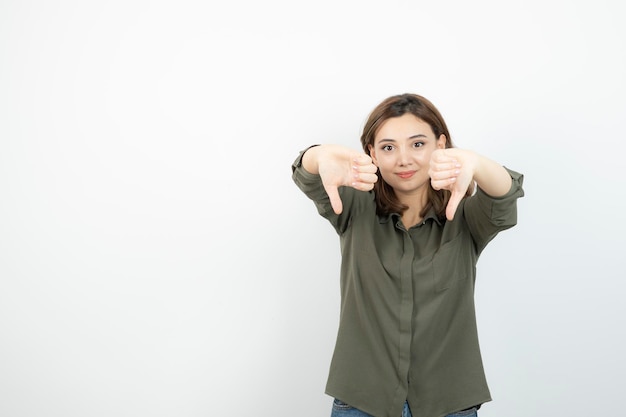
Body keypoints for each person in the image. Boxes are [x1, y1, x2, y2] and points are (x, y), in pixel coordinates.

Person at [291, 93, 524, 417]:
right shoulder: (354, 207)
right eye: (388, 147)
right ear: (371, 152)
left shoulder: (467, 219)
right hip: (360, 400)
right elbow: (309, 174)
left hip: (449, 403)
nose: (404, 159)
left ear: (440, 145)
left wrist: (476, 163)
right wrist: (318, 155)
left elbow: (505, 196)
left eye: (417, 144)